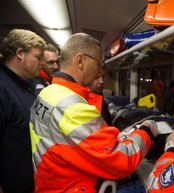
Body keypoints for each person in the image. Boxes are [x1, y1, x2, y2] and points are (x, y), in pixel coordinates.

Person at [29, 32, 158, 193]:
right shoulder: (72, 107)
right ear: (80, 60)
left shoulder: (47, 94)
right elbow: (121, 160)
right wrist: (147, 129)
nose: (100, 70)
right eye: (99, 62)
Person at [0, 29, 46, 193]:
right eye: (38, 57)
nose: (42, 63)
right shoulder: (3, 89)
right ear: (20, 53)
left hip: (32, 182)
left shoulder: (28, 84)